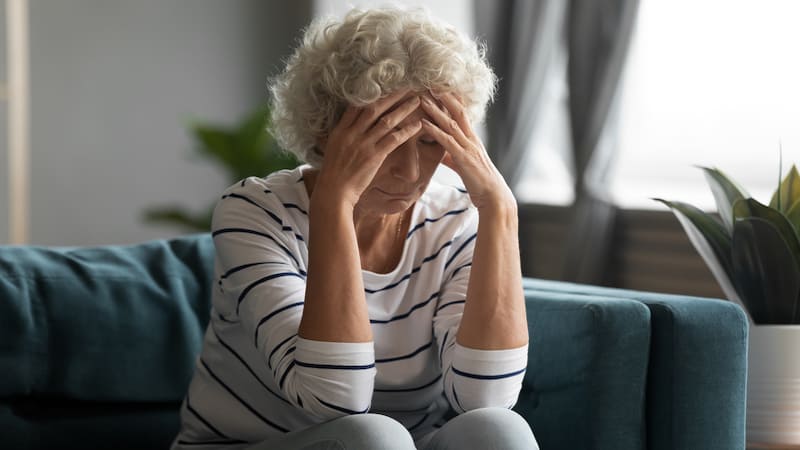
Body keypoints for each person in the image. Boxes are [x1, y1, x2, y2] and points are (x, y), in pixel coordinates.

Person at [172, 6, 537, 450]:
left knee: (500, 430)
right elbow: (334, 400)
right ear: (326, 130)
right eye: (386, 140)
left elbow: (486, 397)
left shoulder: (459, 218)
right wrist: (334, 204)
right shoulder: (255, 211)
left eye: (428, 142)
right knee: (371, 437)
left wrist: (500, 209)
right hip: (254, 443)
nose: (409, 173)